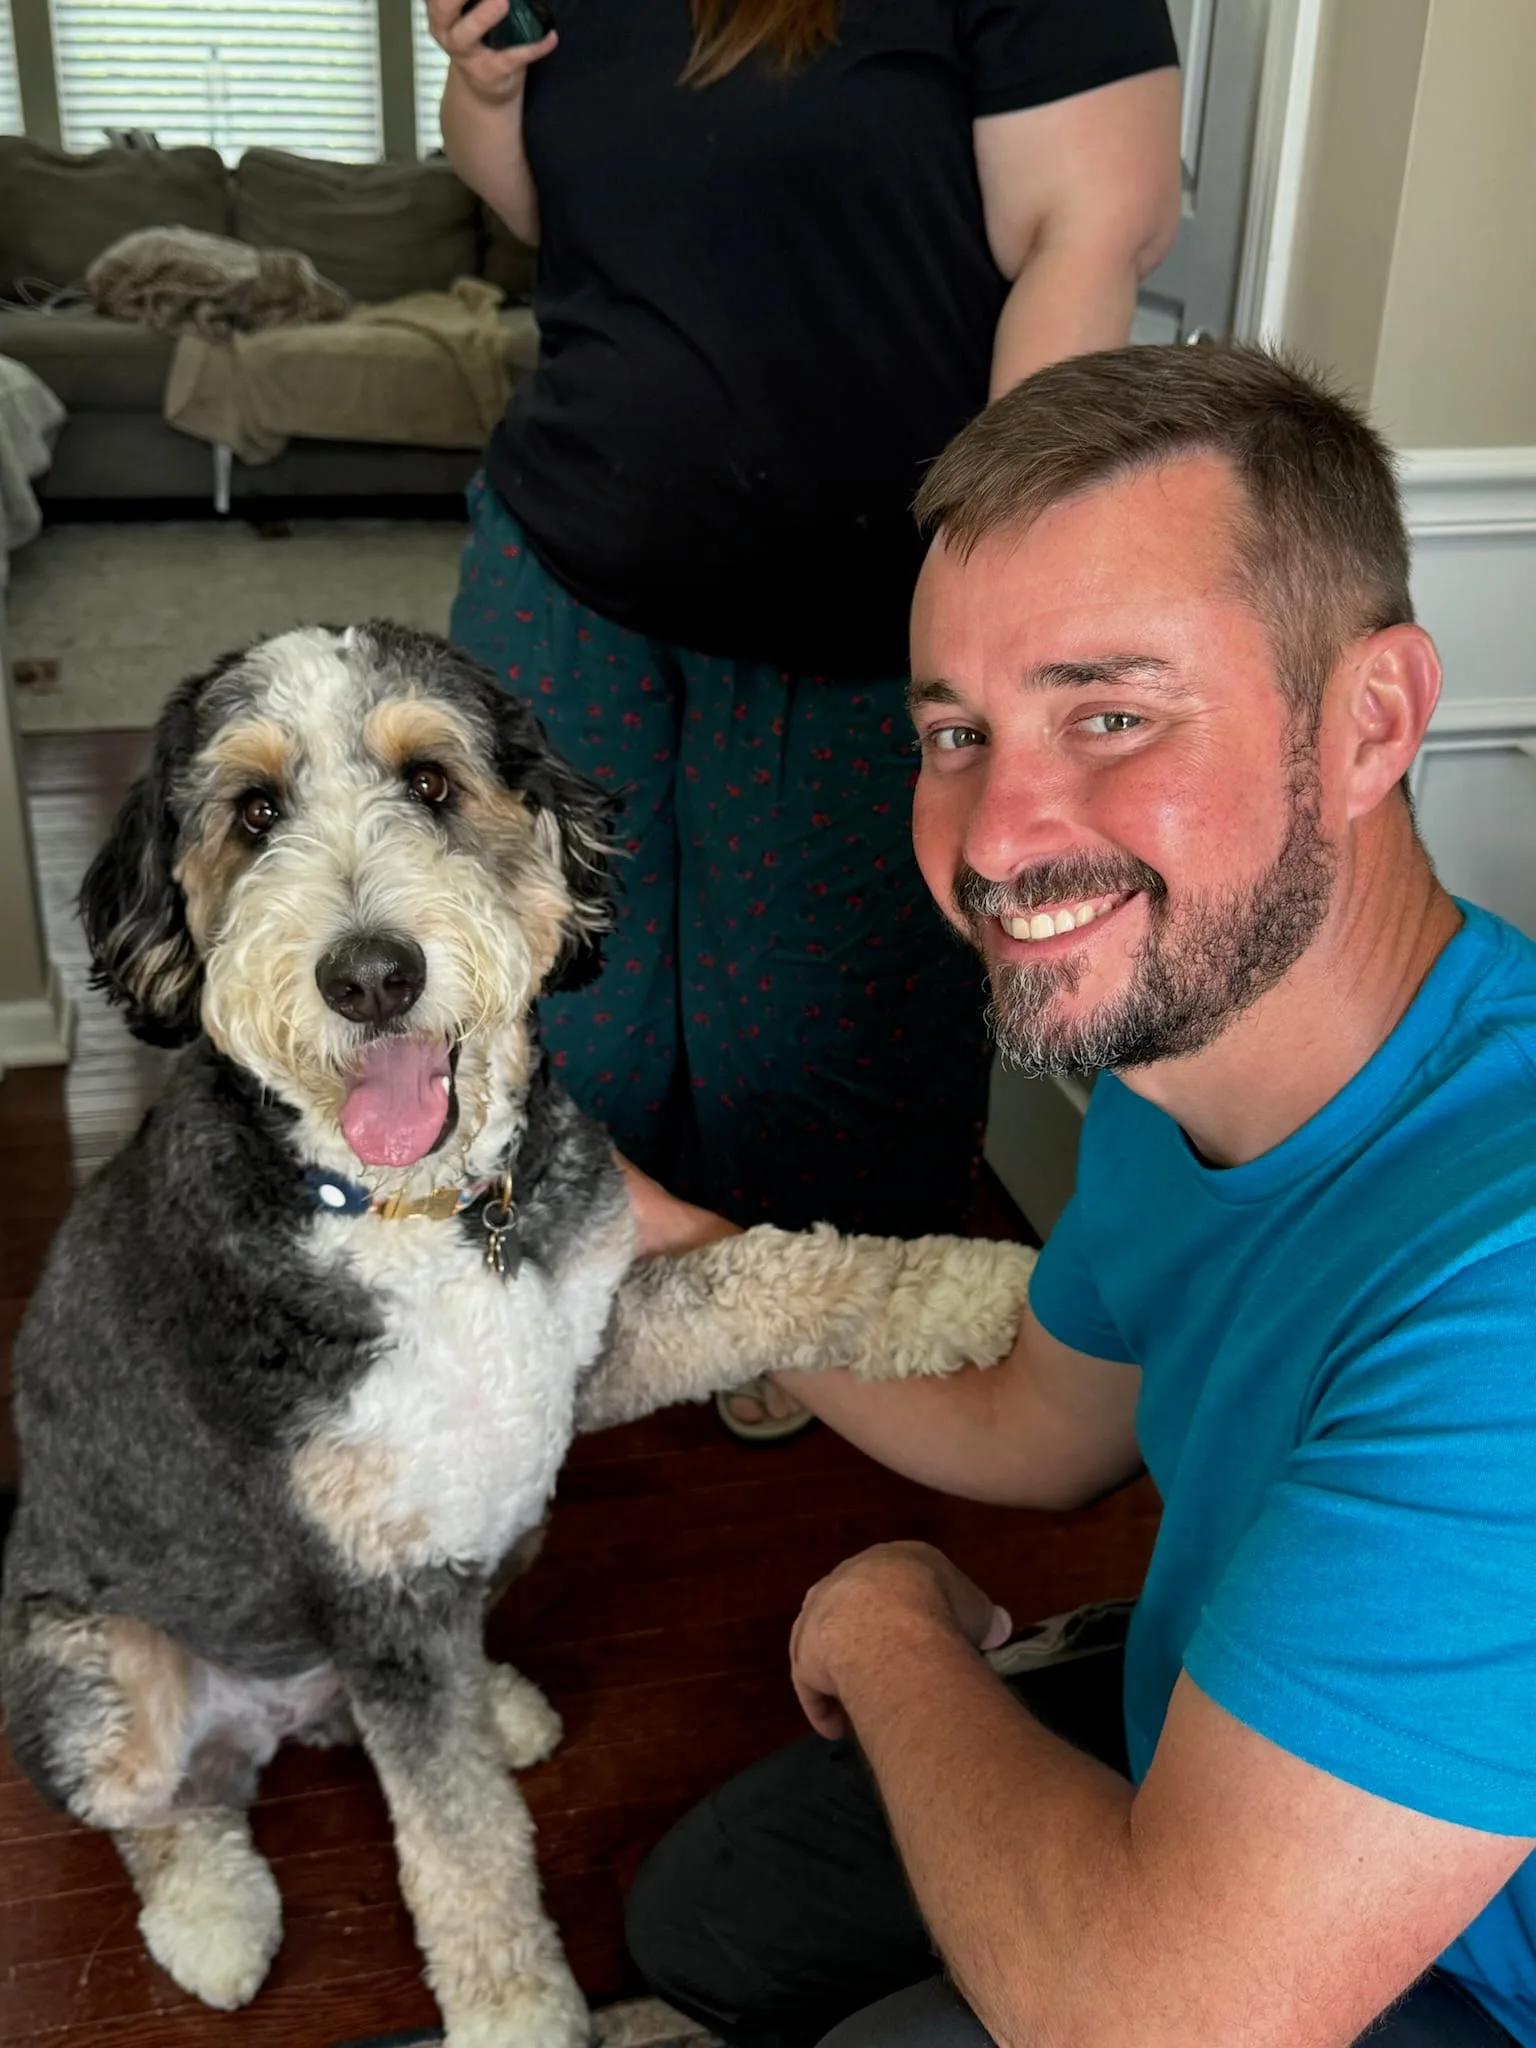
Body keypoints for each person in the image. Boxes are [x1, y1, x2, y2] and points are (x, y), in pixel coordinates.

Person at [615, 343, 1536, 2046]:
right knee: (712, 1920)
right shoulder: (1171, 1051)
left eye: (1110, 714)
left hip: (1462, 1976)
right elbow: (1044, 1427)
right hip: (1222, 1740)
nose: (997, 834)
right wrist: (684, 1256)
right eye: (958, 731)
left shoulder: (1507, 1291)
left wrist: (896, 1627)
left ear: (1372, 722)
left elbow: (1146, 2019)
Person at [424, 0, 1181, 1433]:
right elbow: (547, 209)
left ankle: (800, 1332)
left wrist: (1005, 566)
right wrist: (484, 93)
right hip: (566, 551)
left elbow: (1088, 231)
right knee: (549, 981)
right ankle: (554, 1307)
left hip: (863, 605)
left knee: (815, 1028)